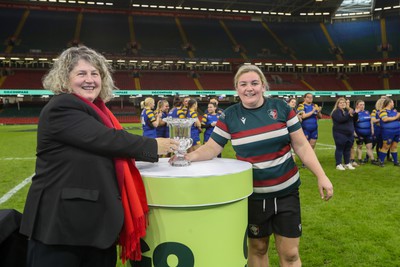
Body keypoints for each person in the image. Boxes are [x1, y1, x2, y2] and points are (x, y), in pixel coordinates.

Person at [19, 46, 178, 267]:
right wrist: (153, 145)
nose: (90, 80)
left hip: (95, 226)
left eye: (95, 74)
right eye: (81, 73)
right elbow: (107, 139)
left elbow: (109, 148)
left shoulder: (99, 110)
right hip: (61, 228)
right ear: (65, 79)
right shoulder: (62, 106)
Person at [181, 64, 333, 267]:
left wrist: (321, 176)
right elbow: (211, 148)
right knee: (258, 249)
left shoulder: (281, 108)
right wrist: (188, 157)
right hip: (252, 194)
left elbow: (302, 146)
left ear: (263, 86)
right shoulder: (230, 116)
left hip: (286, 192)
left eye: (254, 83)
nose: (249, 88)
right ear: (237, 88)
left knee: (290, 253)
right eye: (243, 84)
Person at [331, 97, 356, 170]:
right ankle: (338, 164)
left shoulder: (347, 111)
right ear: (338, 104)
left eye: (344, 102)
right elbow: (341, 119)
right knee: (340, 148)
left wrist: (355, 113)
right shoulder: (336, 111)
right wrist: (349, 115)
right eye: (340, 103)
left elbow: (355, 119)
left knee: (347, 149)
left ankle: (347, 163)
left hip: (349, 134)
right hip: (340, 133)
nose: (342, 104)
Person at [377, 97, 400, 167]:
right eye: (393, 102)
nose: (393, 104)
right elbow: (385, 119)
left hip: (397, 131)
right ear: (389, 103)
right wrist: (396, 117)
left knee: (394, 146)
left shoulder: (394, 111)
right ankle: (381, 161)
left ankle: (396, 162)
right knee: (386, 146)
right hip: (388, 132)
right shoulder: (382, 111)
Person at [354, 99, 378, 165]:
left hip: (368, 133)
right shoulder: (355, 113)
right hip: (359, 133)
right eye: (360, 105)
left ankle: (373, 160)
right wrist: (354, 132)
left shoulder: (367, 112)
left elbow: (371, 121)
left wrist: (372, 129)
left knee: (369, 147)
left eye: (363, 104)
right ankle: (360, 159)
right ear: (357, 105)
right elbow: (352, 123)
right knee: (360, 146)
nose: (362, 106)